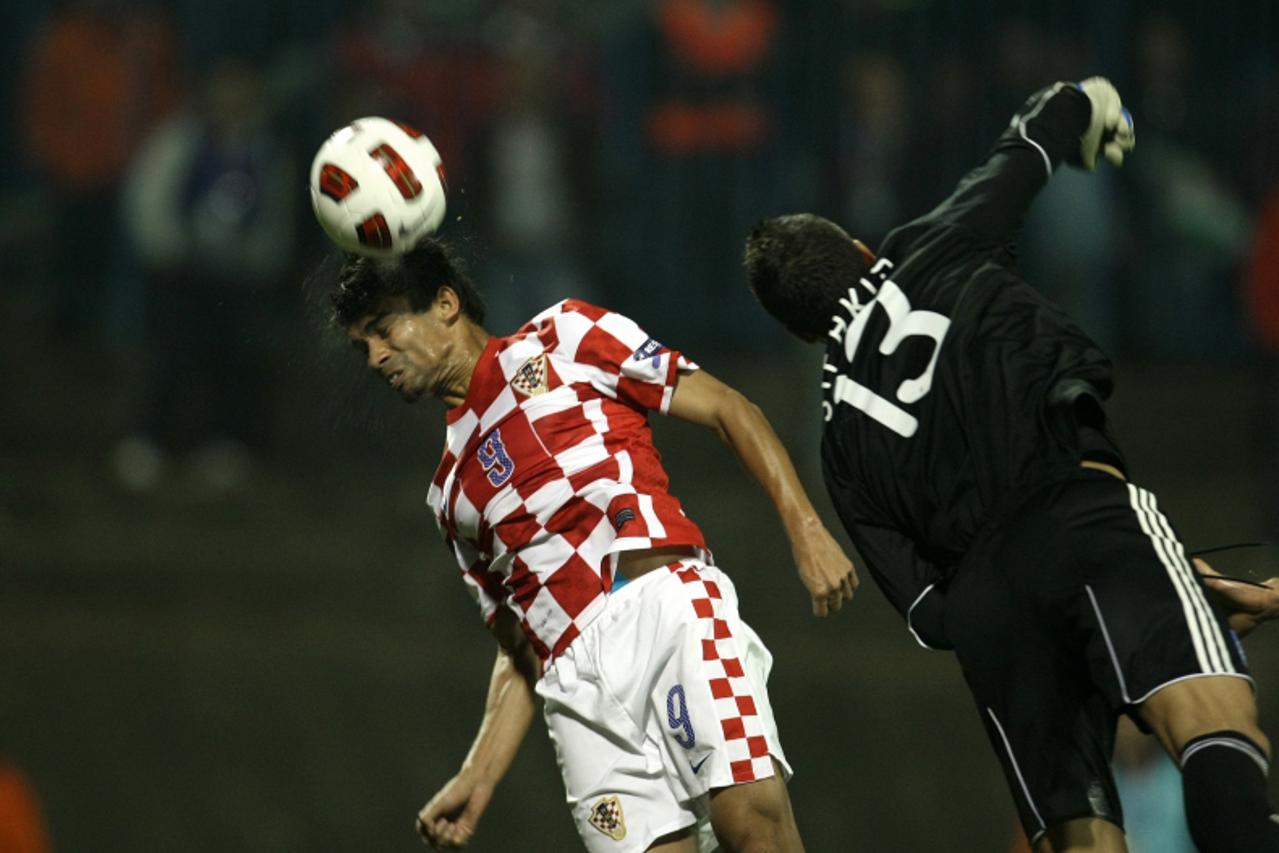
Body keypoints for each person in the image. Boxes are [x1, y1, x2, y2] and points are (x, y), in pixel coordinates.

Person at [743, 77, 1279, 852]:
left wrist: (1045, 627)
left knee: (1080, 837)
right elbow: (1033, 135)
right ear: (861, 251)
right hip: (1080, 506)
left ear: (803, 335)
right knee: (1213, 731)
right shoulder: (926, 246)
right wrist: (1089, 103)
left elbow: (931, 612)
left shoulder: (837, 449)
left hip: (990, 606)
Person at [330, 243, 855, 851]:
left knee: (755, 832)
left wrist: (808, 530)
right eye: (360, 346)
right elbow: (519, 648)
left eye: (383, 330)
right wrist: (478, 773)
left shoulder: (565, 336)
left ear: (445, 303)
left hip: (665, 609)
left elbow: (728, 408)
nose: (373, 357)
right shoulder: (449, 495)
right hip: (578, 697)